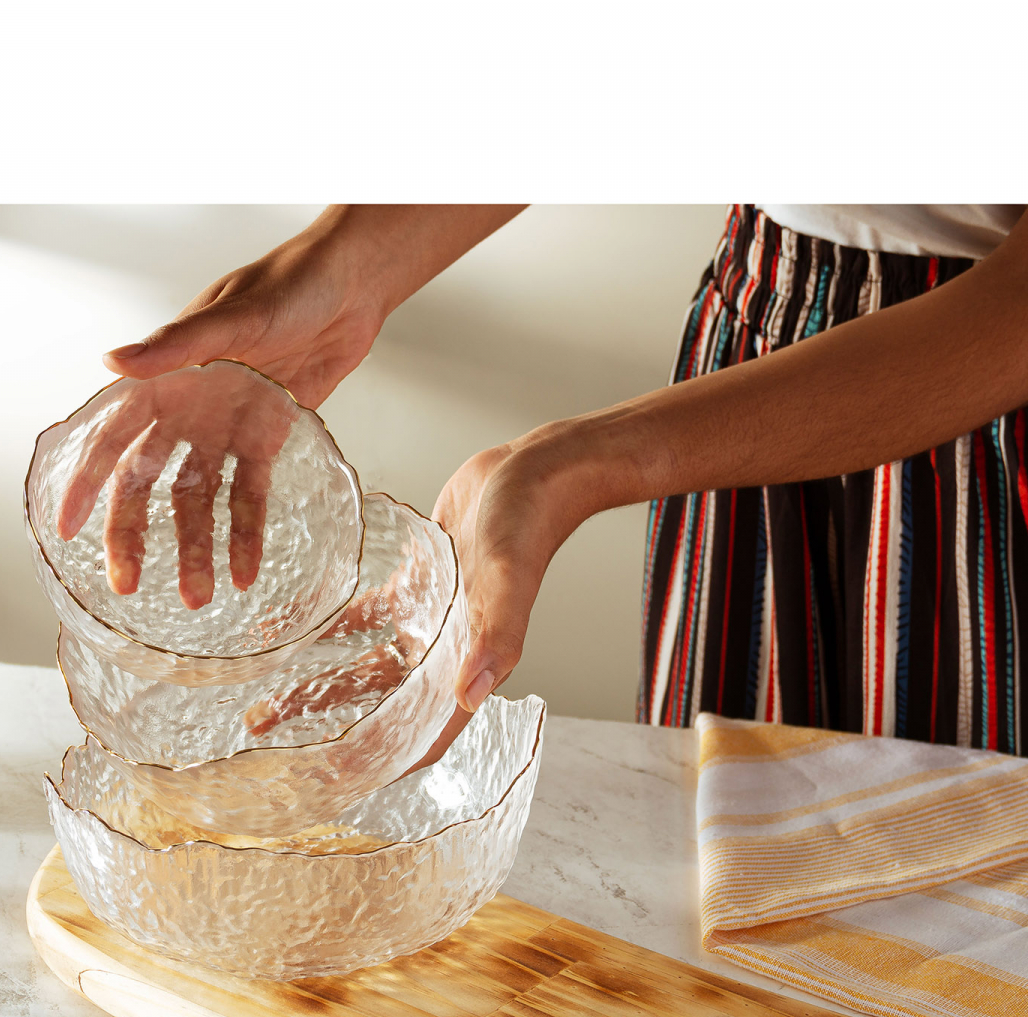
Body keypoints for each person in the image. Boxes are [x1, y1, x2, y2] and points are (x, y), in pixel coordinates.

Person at [71, 204, 1028, 757]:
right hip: (761, 336)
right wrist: (345, 267)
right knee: (740, 869)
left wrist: (576, 464)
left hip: (984, 411)